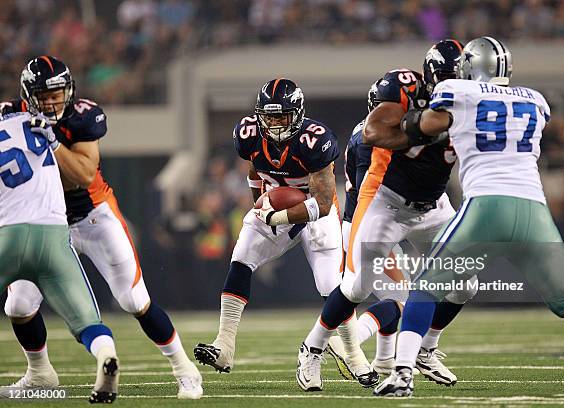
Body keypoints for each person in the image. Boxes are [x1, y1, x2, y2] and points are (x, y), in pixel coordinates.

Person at [373, 36, 564, 397]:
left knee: (424, 286)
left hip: (487, 204)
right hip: (534, 210)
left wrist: (408, 121)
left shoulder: (458, 91)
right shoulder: (536, 100)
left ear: (469, 67)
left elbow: (422, 127)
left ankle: (402, 372)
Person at [1, 56, 202, 399]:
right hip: (45, 224)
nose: (52, 101)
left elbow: (83, 174)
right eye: (44, 95)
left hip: (92, 214)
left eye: (57, 93)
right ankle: (40, 373)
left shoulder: (81, 115)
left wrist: (52, 141)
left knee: (133, 299)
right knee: (18, 306)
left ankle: (184, 368)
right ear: (28, 95)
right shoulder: (12, 115)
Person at [297, 40, 478, 391]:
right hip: (390, 202)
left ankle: (426, 349)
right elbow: (372, 131)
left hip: (434, 206)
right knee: (360, 284)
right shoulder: (405, 89)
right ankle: (313, 347)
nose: (451, 84)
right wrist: (419, 128)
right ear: (430, 76)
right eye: (444, 77)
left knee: (466, 283)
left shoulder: (475, 106)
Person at [194, 78, 378, 391]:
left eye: (282, 116)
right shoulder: (249, 135)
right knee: (240, 260)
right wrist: (258, 204)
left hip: (316, 212)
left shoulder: (314, 140)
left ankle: (353, 354)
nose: (275, 123)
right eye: (270, 116)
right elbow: (255, 168)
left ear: (298, 113)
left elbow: (320, 204)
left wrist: (276, 214)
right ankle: (224, 346)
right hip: (274, 204)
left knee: (333, 287)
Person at [0, 112, 119, 403]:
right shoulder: (46, 127)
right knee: (85, 321)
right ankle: (105, 355)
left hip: (9, 235)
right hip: (54, 234)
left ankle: (41, 370)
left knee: (16, 305)